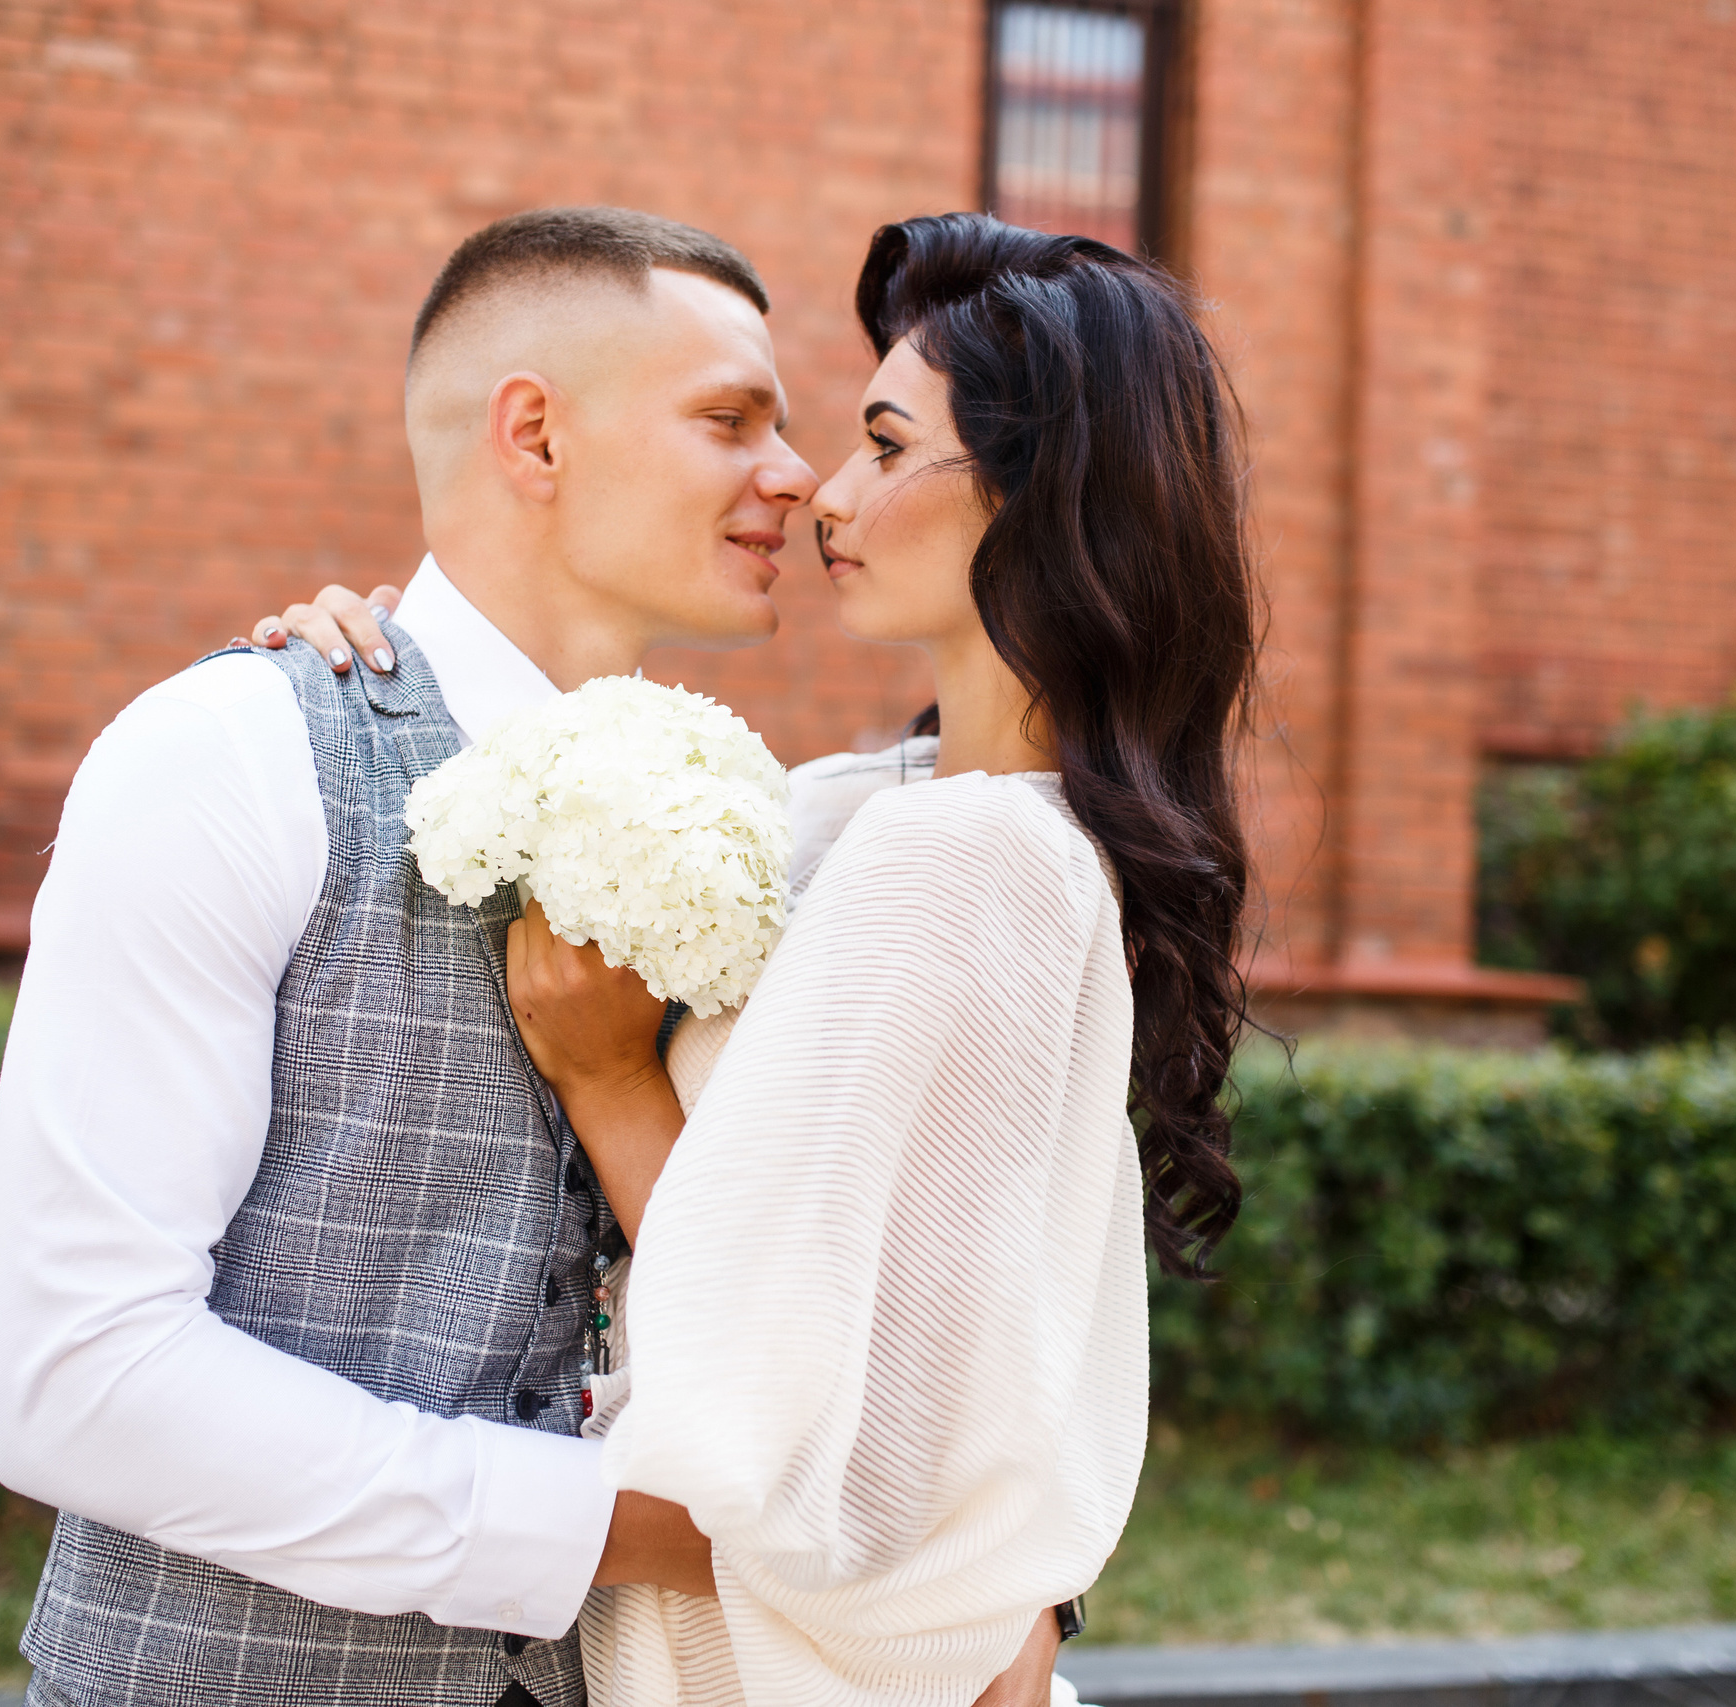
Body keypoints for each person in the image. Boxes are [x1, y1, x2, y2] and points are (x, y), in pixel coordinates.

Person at [0, 205, 1068, 1707]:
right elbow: (78, 1388)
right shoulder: (225, 757)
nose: (795, 477)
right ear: (536, 436)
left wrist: (992, 1582)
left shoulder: (769, 835)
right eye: (728, 419)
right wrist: (614, 1532)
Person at [254, 213, 1260, 1707]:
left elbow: (794, 1355)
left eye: (881, 443)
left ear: (1033, 496)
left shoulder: (955, 859)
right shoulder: (896, 817)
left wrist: (605, 1077)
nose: (824, 494)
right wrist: (384, 665)